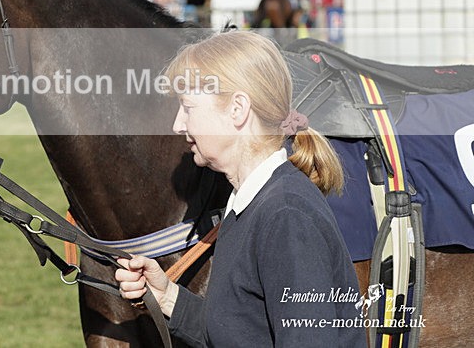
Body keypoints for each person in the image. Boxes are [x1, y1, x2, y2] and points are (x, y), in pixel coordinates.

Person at [115, 30, 365, 347]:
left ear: (237, 109)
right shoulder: (249, 203)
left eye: (188, 107)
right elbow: (241, 332)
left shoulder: (286, 217)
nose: (178, 124)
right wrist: (166, 297)